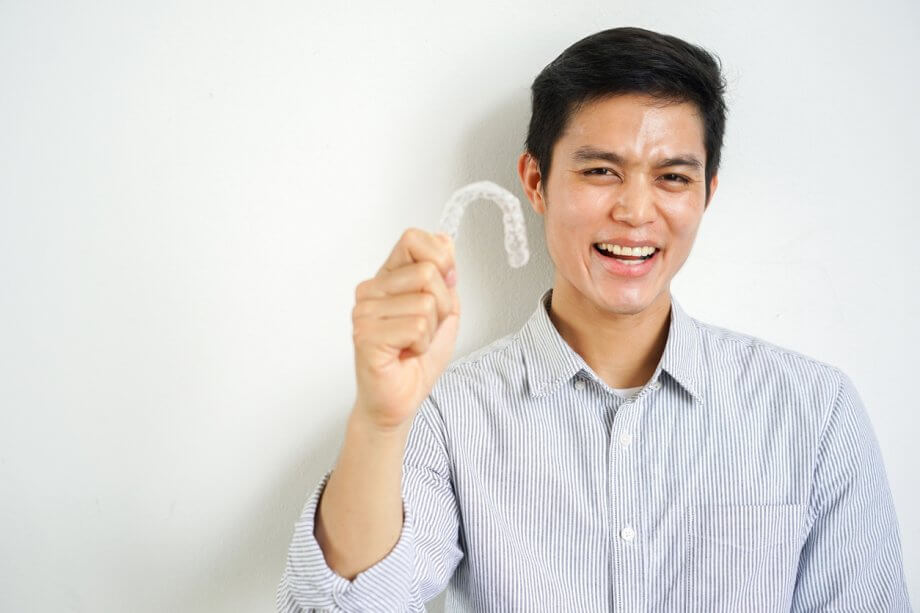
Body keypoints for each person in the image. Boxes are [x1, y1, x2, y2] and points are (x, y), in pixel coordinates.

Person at [276, 26, 912, 612]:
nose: (636, 210)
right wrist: (380, 418)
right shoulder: (448, 414)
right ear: (535, 181)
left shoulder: (815, 411)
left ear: (706, 195)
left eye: (672, 177)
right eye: (601, 171)